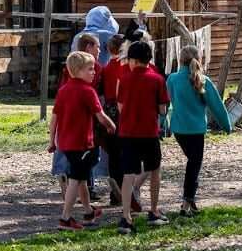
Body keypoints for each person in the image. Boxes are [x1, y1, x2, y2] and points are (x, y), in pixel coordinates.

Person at [49, 52, 115, 230]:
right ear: (77, 71)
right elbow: (100, 116)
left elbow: (54, 118)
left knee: (82, 179)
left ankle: (88, 212)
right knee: (76, 179)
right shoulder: (88, 91)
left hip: (66, 144)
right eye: (90, 69)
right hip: (82, 144)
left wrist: (51, 141)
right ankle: (65, 218)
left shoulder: (63, 91)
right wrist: (112, 126)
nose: (94, 72)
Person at [168, 44, 232, 216]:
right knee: (194, 165)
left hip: (179, 129)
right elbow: (216, 106)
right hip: (196, 130)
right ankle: (185, 203)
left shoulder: (172, 79)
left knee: (193, 162)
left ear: (179, 60)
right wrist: (227, 125)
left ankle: (191, 200)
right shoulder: (202, 80)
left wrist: (160, 125)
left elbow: (164, 104)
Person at [115, 40, 170, 233]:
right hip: (149, 132)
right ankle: (154, 211)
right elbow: (162, 110)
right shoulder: (157, 80)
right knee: (154, 169)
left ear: (134, 60)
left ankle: (126, 217)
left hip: (127, 132)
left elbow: (120, 107)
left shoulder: (125, 79)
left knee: (128, 174)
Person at [99, 34, 134, 210]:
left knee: (113, 152)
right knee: (126, 151)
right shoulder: (125, 67)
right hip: (123, 110)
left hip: (108, 109)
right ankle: (125, 189)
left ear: (108, 49)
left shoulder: (105, 68)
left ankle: (115, 192)